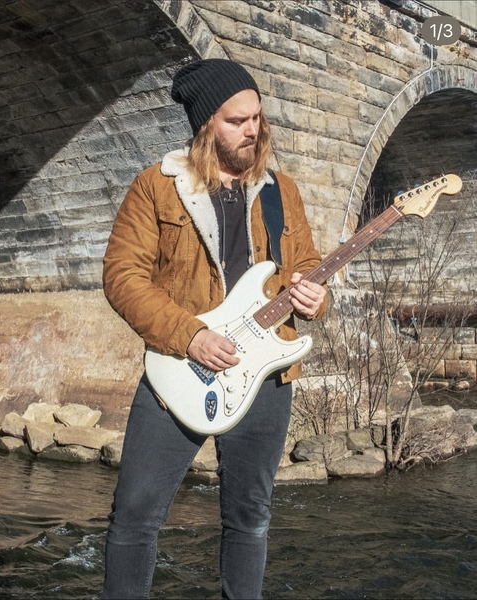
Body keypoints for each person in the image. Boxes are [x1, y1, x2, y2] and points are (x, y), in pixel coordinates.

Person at [102, 58, 328, 599]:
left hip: (265, 376)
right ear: (206, 125)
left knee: (250, 518)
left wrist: (316, 298)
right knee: (135, 516)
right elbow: (122, 275)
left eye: (257, 117)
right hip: (179, 367)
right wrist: (190, 335)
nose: (253, 129)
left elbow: (307, 265)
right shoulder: (156, 187)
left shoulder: (281, 191)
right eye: (237, 120)